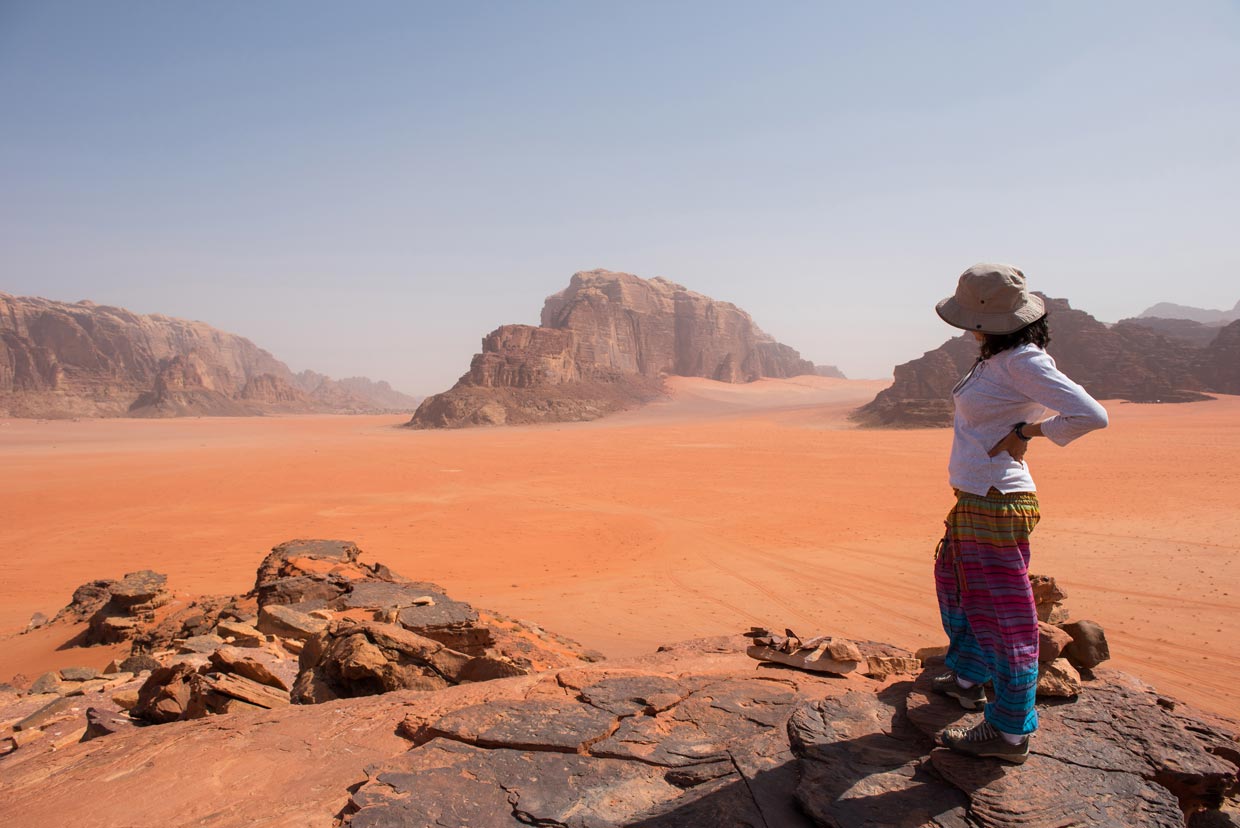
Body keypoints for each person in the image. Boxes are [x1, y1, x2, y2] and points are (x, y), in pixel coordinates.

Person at [930, 263, 1108, 764]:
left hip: (997, 501)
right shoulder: (1000, 356)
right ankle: (969, 677)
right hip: (975, 498)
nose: (967, 327)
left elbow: (1093, 414)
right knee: (956, 585)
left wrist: (1029, 433)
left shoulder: (1025, 362)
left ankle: (1009, 733)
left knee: (1005, 618)